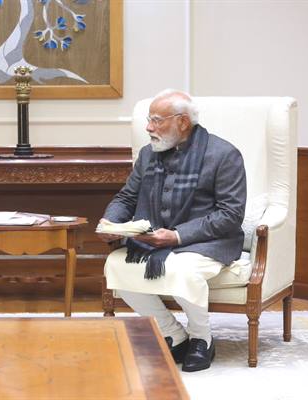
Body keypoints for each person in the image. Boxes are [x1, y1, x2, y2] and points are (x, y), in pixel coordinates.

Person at [98, 89, 246, 372]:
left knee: (181, 269)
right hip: (155, 239)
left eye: (156, 120)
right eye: (149, 120)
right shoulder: (148, 154)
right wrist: (110, 223)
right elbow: (127, 198)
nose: (148, 127)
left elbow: (230, 214)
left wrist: (177, 235)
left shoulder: (224, 154)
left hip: (207, 242)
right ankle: (174, 334)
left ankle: (201, 339)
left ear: (183, 122)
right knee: (115, 265)